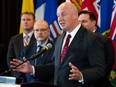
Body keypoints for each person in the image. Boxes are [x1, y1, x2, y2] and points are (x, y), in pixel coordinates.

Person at [10, 2, 106, 87]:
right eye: (58, 15)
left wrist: (82, 75)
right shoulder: (60, 38)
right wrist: (32, 69)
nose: (59, 19)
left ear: (75, 15)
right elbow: (56, 66)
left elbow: (100, 69)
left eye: (63, 14)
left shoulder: (92, 38)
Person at [78, 10, 114, 87]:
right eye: (79, 22)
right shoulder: (77, 40)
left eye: (84, 21)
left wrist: (85, 76)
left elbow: (107, 66)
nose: (80, 24)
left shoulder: (104, 40)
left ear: (93, 23)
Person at [7, 11, 36, 76]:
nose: (25, 22)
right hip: (16, 74)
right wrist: (17, 69)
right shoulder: (14, 39)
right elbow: (9, 58)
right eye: (23, 20)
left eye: (28, 19)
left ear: (34, 22)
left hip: (32, 75)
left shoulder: (38, 38)